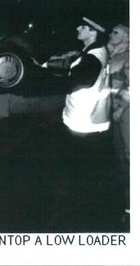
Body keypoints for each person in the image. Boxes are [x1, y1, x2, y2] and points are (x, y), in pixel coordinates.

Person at [44, 16, 115, 230]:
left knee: (78, 173)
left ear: (93, 32)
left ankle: (77, 219)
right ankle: (80, 212)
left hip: (84, 124)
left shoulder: (94, 56)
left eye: (83, 27)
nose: (78, 28)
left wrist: (47, 81)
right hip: (86, 121)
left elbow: (75, 81)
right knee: (81, 172)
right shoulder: (92, 52)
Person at [107, 23, 130, 227]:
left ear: (126, 38)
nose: (110, 34)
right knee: (119, 155)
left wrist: (122, 107)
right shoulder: (112, 55)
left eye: (115, 32)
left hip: (124, 112)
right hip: (112, 111)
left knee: (129, 156)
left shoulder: (129, 56)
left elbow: (130, 85)